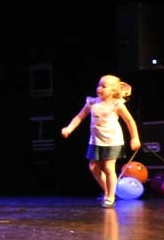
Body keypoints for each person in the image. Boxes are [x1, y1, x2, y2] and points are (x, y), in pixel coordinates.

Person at [60, 74, 141, 208]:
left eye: (104, 86)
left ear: (113, 91)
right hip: (96, 141)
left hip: (112, 140)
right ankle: (108, 191)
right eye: (99, 85)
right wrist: (69, 128)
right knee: (93, 168)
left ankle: (110, 196)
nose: (99, 88)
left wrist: (134, 138)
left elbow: (129, 121)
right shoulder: (92, 103)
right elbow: (79, 117)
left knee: (109, 168)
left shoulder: (116, 104)